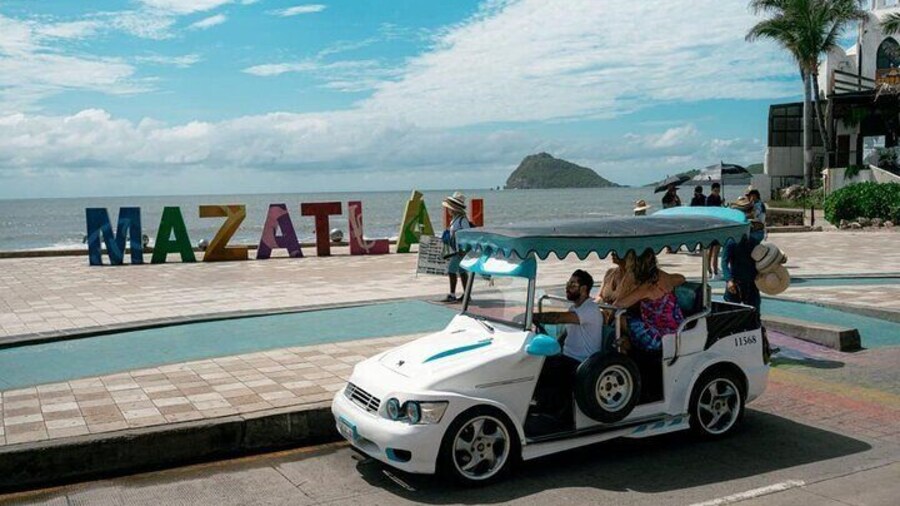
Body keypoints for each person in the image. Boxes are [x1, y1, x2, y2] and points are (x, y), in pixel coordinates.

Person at [532, 270, 603, 417]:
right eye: (568, 284)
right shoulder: (574, 308)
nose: (567, 288)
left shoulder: (590, 309)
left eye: (572, 285)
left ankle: (554, 411)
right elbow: (565, 334)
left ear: (584, 289)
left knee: (551, 370)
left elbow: (557, 318)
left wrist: (533, 317)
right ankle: (541, 404)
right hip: (567, 357)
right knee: (537, 362)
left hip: (583, 362)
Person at [613, 250, 686, 354]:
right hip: (679, 330)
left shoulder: (647, 287)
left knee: (621, 318)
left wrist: (627, 279)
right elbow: (682, 278)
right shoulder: (664, 276)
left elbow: (618, 304)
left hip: (659, 339)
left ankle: (629, 348)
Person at [722, 197, 762, 310]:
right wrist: (729, 280)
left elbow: (761, 258)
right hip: (736, 282)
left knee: (754, 312)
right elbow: (724, 262)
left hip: (752, 282)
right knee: (732, 312)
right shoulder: (731, 240)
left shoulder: (754, 239)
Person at [441, 192, 471, 303]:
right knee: (462, 272)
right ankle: (466, 295)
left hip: (460, 251)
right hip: (457, 250)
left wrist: (465, 249)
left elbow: (468, 235)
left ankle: (453, 295)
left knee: (451, 271)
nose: (448, 210)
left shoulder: (462, 220)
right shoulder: (455, 220)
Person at [706, 182, 724, 278]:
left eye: (718, 191)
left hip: (718, 226)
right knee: (710, 251)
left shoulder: (718, 198)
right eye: (715, 191)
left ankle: (716, 270)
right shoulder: (709, 199)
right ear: (712, 190)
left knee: (716, 250)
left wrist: (722, 203)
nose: (717, 192)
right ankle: (709, 269)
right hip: (710, 227)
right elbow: (709, 212)